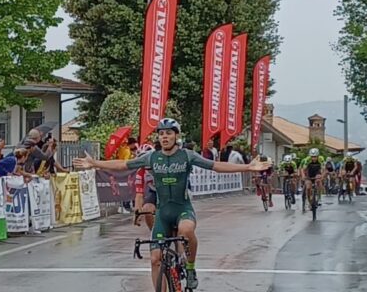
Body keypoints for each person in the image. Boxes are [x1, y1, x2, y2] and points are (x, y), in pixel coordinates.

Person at [73, 118, 269, 291]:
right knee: (155, 259)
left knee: (186, 230)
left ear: (176, 136)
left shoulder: (187, 155)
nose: (164, 137)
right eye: (161, 134)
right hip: (163, 214)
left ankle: (190, 268)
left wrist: (247, 167)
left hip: (183, 210)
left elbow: (216, 166)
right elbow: (123, 165)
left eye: (168, 133)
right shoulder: (151, 157)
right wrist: (96, 164)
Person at [134, 144, 156, 230]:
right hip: (154, 192)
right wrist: (137, 213)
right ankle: (153, 233)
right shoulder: (141, 171)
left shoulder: (163, 166)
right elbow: (139, 194)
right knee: (147, 209)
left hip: (170, 192)